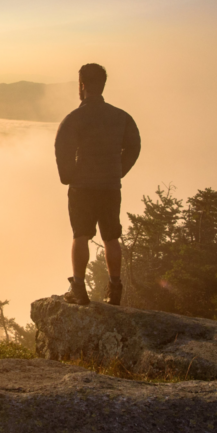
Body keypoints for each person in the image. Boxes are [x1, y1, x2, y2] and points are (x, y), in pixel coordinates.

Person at [54, 63, 140, 306]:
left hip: (82, 186)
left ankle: (78, 289)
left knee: (80, 235)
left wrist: (68, 176)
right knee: (111, 237)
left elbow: (63, 148)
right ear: (103, 85)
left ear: (81, 86)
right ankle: (114, 289)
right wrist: (118, 170)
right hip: (110, 187)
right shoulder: (121, 117)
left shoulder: (75, 118)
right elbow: (134, 146)